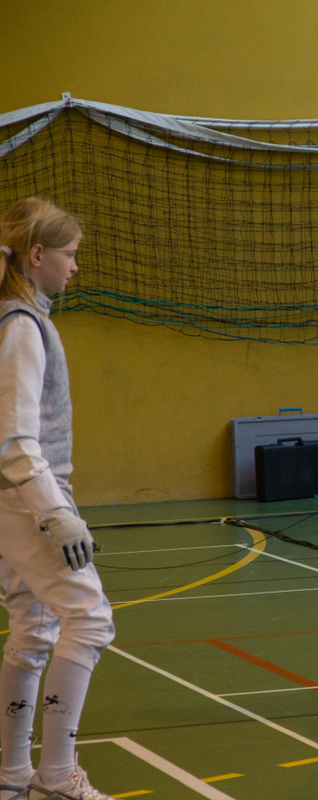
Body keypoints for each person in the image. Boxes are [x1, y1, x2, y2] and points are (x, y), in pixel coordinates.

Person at [0, 198, 116, 800]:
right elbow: (15, 440)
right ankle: (56, 777)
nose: (74, 267)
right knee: (91, 621)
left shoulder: (18, 317)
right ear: (37, 254)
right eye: (69, 255)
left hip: (18, 500)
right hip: (24, 502)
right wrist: (55, 512)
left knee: (34, 628)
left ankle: (14, 777)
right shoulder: (21, 325)